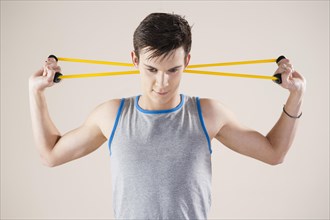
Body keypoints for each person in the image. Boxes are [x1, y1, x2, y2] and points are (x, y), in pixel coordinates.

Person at [29, 13, 306, 219]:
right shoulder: (112, 115)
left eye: (173, 70)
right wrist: (36, 92)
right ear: (134, 60)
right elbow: (50, 154)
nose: (162, 83)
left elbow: (273, 153)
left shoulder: (208, 113)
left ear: (187, 61)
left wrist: (296, 95)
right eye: (151, 69)